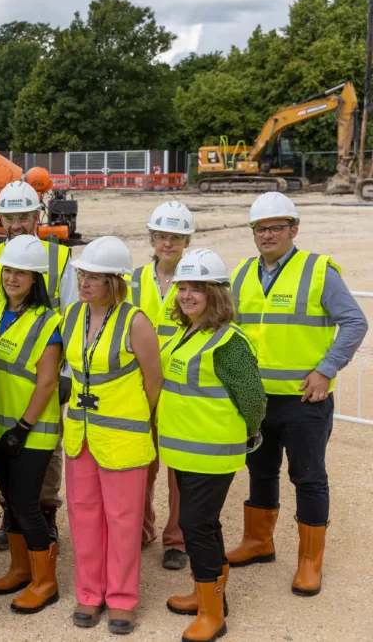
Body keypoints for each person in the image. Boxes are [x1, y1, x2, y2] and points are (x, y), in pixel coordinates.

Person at [226, 192, 367, 596]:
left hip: (305, 401)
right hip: (256, 400)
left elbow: (354, 322)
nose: (267, 234)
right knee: (260, 471)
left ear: (293, 229)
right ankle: (258, 542)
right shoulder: (240, 274)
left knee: (308, 478)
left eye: (275, 227)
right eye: (260, 228)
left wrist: (326, 369)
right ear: (252, 233)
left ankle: (309, 562)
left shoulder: (318, 270)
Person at [158, 248, 267, 642]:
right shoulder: (188, 332)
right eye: (183, 287)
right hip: (186, 450)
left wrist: (249, 432)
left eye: (197, 289)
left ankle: (213, 614)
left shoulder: (228, 342)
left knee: (195, 526)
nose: (186, 295)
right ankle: (208, 596)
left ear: (216, 294)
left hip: (211, 452)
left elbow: (253, 399)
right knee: (204, 525)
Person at [61, 236, 162, 634]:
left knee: (123, 521)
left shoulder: (136, 321)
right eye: (82, 274)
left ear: (115, 282)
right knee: (83, 517)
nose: (84, 283)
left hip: (122, 438)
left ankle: (121, 600)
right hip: (81, 436)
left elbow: (153, 382)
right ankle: (89, 594)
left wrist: (136, 418)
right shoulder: (71, 315)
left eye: (94, 277)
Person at [0, 178, 76, 551]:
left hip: (45, 369)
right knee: (2, 443)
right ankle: (11, 513)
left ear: (37, 216)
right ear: (0, 219)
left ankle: (44, 516)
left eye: (23, 216)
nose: (15, 225)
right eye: (8, 218)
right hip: (1, 374)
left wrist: (65, 375)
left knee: (44, 448)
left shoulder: (58, 259)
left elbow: (71, 315)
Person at [0, 235, 63, 616]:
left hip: (30, 431)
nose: (12, 278)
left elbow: (47, 381)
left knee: (27, 506)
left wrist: (24, 426)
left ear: (37, 279)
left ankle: (45, 582)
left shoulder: (49, 321)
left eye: (22, 273)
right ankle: (20, 569)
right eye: (8, 270)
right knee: (13, 504)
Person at [129, 201, 195, 571]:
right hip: (138, 388)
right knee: (142, 463)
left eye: (176, 237)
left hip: (182, 389)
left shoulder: (196, 279)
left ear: (186, 240)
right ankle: (141, 528)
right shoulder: (132, 279)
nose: (168, 243)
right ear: (152, 238)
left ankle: (177, 539)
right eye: (162, 236)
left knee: (179, 470)